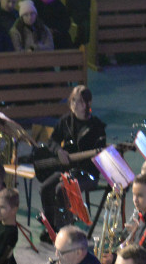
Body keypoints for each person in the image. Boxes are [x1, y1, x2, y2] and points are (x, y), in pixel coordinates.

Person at [38, 85, 106, 234]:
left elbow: (100, 157)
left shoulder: (96, 126)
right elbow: (52, 141)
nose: (76, 105)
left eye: (81, 101)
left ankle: (65, 230)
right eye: (73, 101)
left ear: (89, 103)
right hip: (68, 171)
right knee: (45, 188)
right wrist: (59, 151)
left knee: (61, 189)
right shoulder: (66, 121)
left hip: (87, 173)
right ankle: (50, 228)